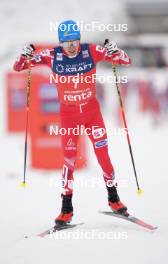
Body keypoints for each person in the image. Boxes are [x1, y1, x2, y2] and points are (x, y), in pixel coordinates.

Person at [13, 20, 131, 226]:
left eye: (75, 40)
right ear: (61, 42)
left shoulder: (91, 51)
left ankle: (114, 199)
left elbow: (124, 60)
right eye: (67, 42)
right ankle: (66, 209)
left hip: (92, 114)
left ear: (79, 39)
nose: (71, 46)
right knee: (69, 161)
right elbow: (19, 66)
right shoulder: (52, 55)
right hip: (69, 117)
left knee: (103, 157)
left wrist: (114, 50)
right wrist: (24, 55)